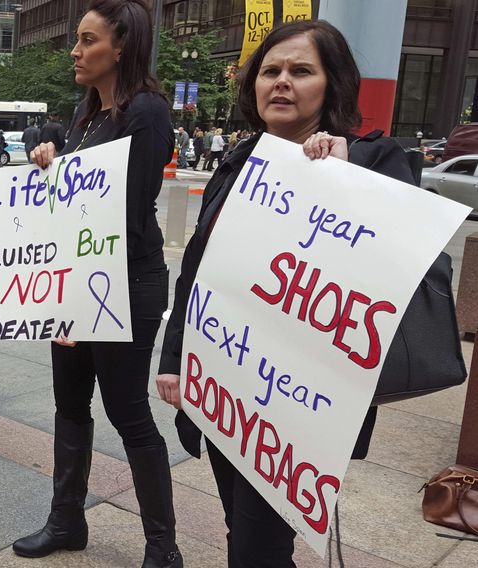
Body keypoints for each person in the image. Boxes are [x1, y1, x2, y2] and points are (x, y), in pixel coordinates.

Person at [156, 20, 416, 568]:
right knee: (244, 533)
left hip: (300, 403)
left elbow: (396, 270)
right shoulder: (240, 160)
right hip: (227, 383)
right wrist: (175, 357)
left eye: (301, 71)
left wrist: (346, 182)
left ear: (333, 84)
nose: (281, 82)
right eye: (270, 71)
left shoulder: (373, 159)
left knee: (257, 547)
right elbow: (198, 275)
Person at [13, 1, 182, 566]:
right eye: (77, 40)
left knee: (129, 410)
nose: (75, 51)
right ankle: (66, 520)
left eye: (87, 40)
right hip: (76, 284)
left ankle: (163, 547)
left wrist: (81, 305)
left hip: (124, 284)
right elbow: (74, 204)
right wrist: (51, 161)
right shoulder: (85, 116)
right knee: (70, 403)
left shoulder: (148, 111)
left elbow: (125, 214)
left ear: (122, 46)